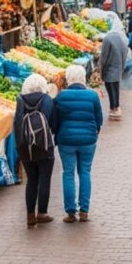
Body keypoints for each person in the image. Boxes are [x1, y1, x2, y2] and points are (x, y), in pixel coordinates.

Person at [52, 66, 103, 223]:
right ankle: (84, 211)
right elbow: (99, 119)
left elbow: (55, 119)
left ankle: (70, 212)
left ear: (69, 79)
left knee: (68, 173)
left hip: (66, 140)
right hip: (88, 140)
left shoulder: (61, 96)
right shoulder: (93, 96)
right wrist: (94, 132)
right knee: (85, 172)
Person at [14, 74, 56, 227]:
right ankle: (42, 213)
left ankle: (30, 215)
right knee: (44, 179)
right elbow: (52, 121)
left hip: (26, 148)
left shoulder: (20, 99)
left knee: (31, 180)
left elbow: (17, 122)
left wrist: (19, 146)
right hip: (45, 146)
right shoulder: (47, 99)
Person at [98, 30, 127, 120]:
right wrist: (122, 66)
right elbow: (125, 52)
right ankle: (116, 107)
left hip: (110, 69)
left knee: (110, 88)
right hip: (118, 67)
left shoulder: (107, 40)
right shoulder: (120, 38)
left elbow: (104, 57)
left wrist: (101, 71)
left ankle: (113, 108)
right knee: (115, 87)